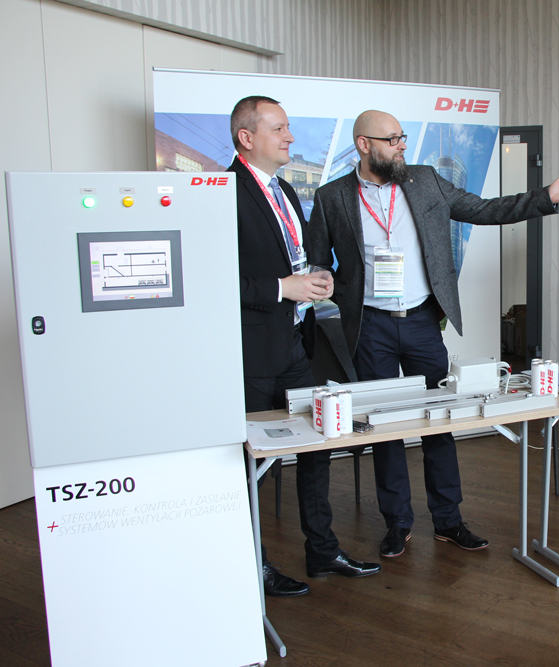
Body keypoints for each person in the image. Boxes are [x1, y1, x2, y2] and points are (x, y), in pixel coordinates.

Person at [307, 110, 559, 558]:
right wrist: (325, 283)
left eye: (402, 136)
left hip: (422, 322)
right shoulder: (332, 197)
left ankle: (448, 519)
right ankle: (397, 523)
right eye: (392, 139)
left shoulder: (425, 181)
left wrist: (545, 197)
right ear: (364, 145)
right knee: (384, 427)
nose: (402, 144)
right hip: (370, 325)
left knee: (440, 420)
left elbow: (484, 209)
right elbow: (319, 259)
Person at [229, 96, 380, 596]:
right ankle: (252, 567)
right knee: (249, 467)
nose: (290, 138)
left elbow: (296, 260)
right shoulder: (223, 192)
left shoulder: (287, 192)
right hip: (252, 357)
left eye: (288, 128)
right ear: (247, 137)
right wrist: (283, 288)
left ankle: (322, 551)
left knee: (316, 446)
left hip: (296, 345)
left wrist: (318, 278)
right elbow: (216, 279)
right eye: (278, 129)